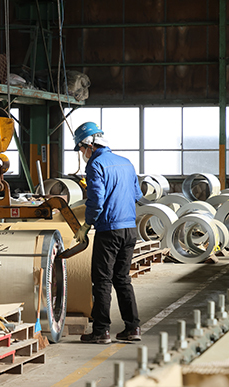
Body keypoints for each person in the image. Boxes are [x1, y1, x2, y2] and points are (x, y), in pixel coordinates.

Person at [72, 122, 143, 344]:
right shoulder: (126, 163)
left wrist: (86, 225)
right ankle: (132, 328)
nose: (82, 154)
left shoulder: (95, 165)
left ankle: (101, 331)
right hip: (130, 229)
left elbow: (96, 201)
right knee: (122, 279)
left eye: (81, 149)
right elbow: (137, 195)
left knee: (102, 281)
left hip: (109, 231)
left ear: (89, 145)